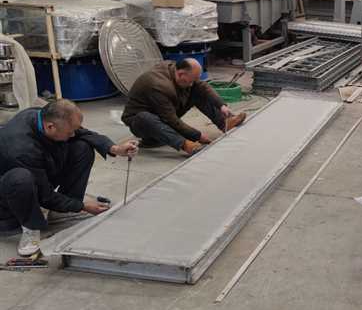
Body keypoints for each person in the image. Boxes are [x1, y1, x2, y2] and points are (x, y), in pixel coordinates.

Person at [0, 99, 139, 257]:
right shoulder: (21, 148)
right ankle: (30, 227)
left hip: (37, 172)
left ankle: (62, 211)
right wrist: (82, 206)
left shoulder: (44, 116)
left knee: (83, 147)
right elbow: (45, 196)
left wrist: (115, 148)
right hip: (8, 197)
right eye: (69, 132)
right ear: (50, 127)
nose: (73, 134)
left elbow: (82, 133)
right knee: (21, 178)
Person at [121, 58, 246, 156]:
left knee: (197, 91)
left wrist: (221, 105)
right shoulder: (157, 85)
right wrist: (197, 136)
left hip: (163, 112)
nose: (191, 84)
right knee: (144, 117)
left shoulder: (176, 68)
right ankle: (184, 144)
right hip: (142, 124)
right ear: (181, 74)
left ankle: (225, 122)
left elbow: (202, 86)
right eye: (190, 81)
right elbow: (170, 119)